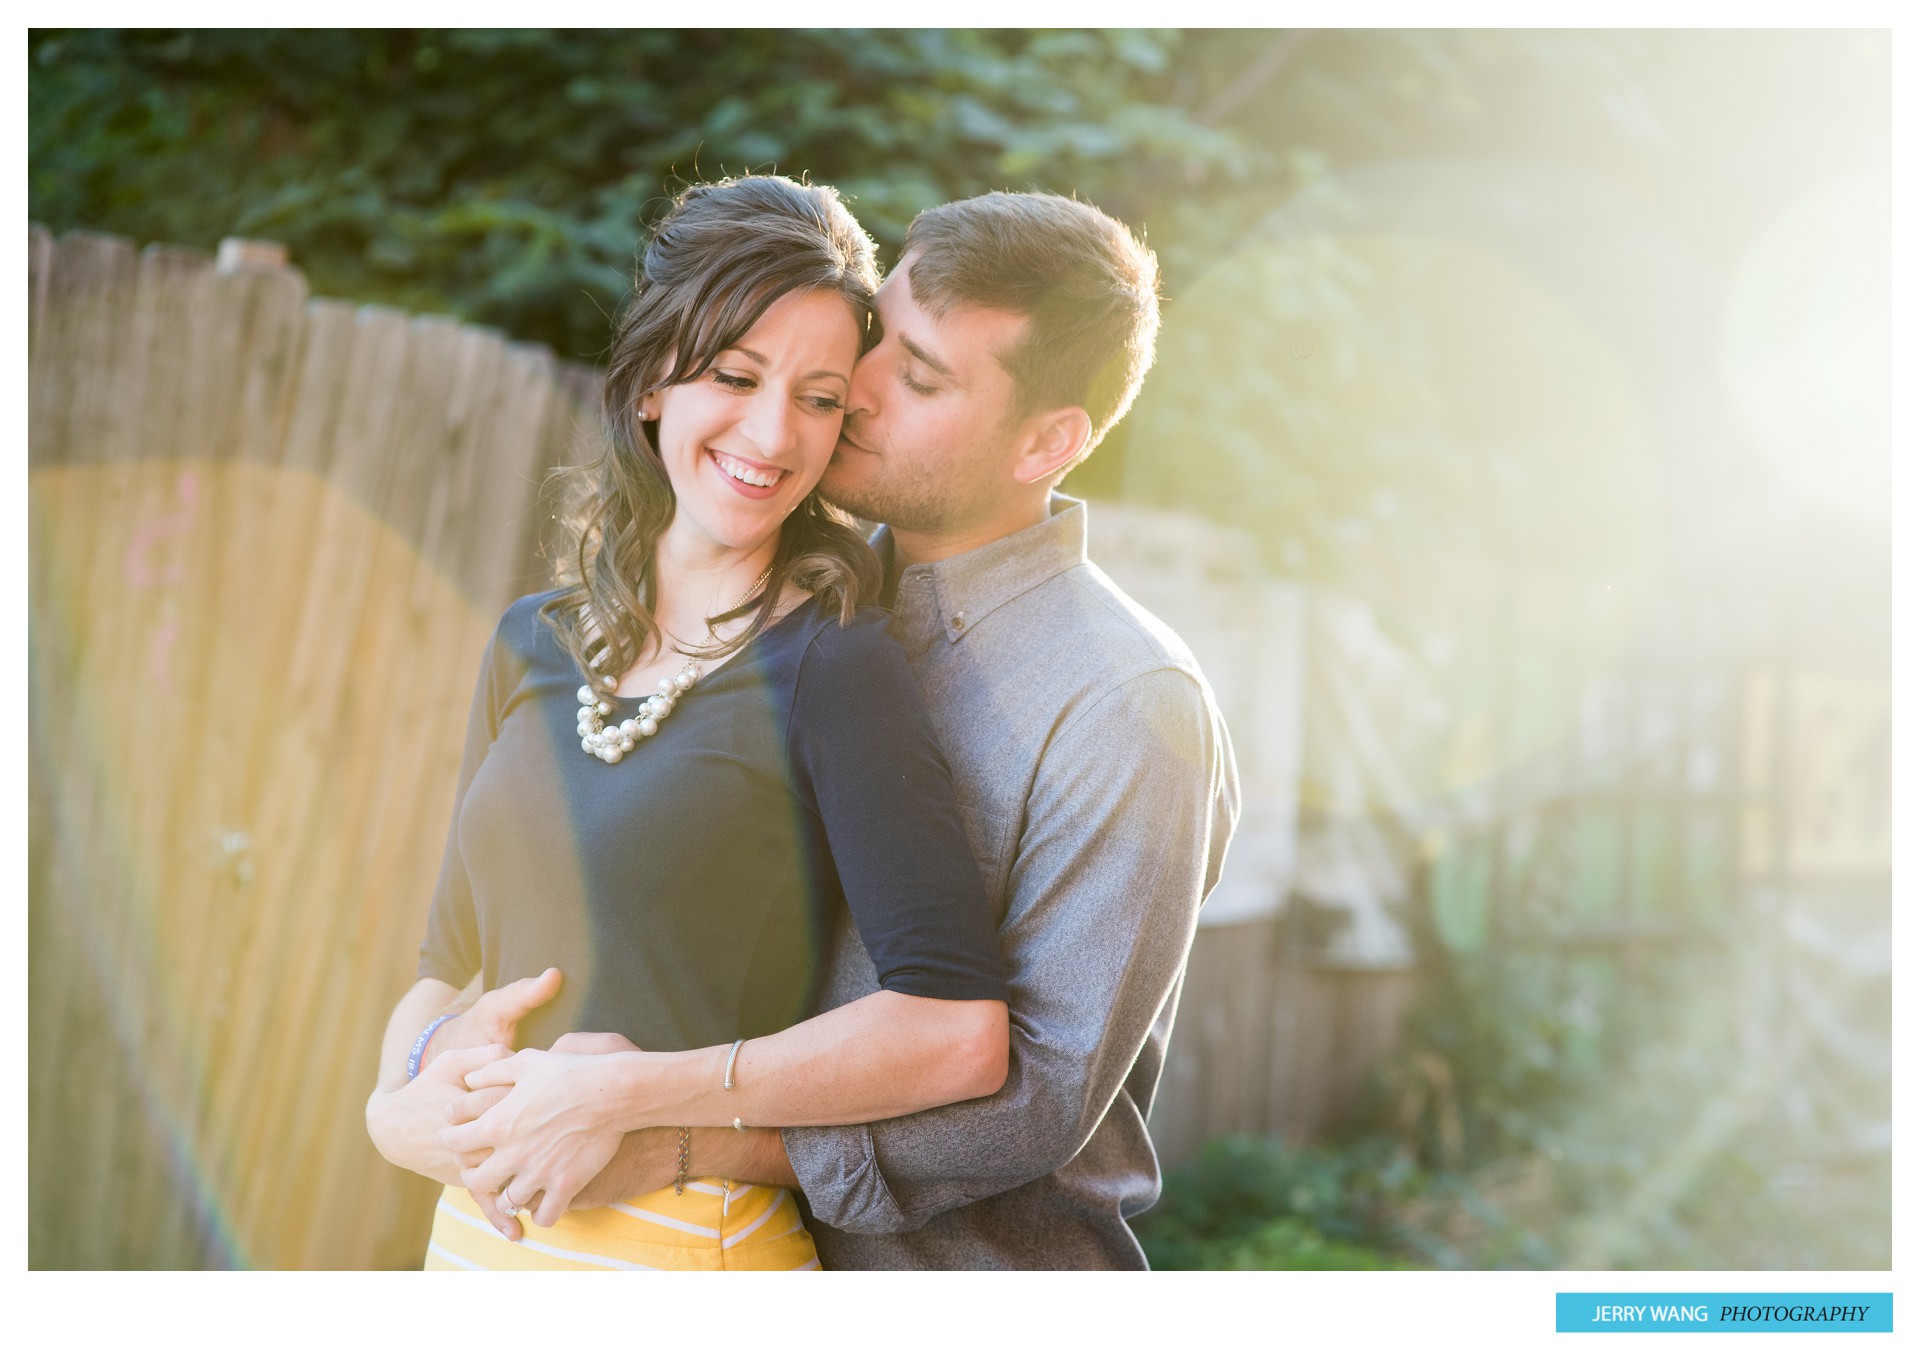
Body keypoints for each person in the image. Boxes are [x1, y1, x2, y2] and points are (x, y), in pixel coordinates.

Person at [442, 190, 1240, 1269]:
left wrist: (676, 1136)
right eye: (878, 341)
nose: (854, 394)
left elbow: (1034, 1101)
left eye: (917, 379)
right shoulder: (787, 603)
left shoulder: (1127, 704)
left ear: (1047, 441)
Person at [362, 174, 1015, 1272]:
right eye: (735, 375)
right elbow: (447, 964)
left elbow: (956, 1033)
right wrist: (393, 1105)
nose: (773, 433)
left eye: (818, 397)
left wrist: (634, 1090)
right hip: (478, 1243)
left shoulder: (836, 668)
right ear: (655, 381)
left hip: (683, 1253)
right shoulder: (531, 640)